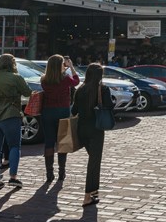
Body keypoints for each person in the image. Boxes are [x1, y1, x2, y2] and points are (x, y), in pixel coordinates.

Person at [0, 53, 32, 191]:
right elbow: (27, 92)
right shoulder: (16, 78)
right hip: (10, 115)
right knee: (14, 146)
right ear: (12, 64)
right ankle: (13, 178)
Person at [71, 63, 114, 207]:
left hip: (81, 130)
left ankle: (94, 191)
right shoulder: (103, 89)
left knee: (93, 161)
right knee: (94, 163)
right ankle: (87, 196)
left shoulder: (80, 90)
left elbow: (74, 110)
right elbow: (109, 105)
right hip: (96, 129)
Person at [41, 54, 80, 182]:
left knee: (49, 142)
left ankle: (49, 173)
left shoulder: (44, 79)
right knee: (62, 142)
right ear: (60, 65)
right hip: (63, 112)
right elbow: (77, 81)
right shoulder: (65, 78)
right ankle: (61, 172)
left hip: (47, 112)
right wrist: (71, 66)